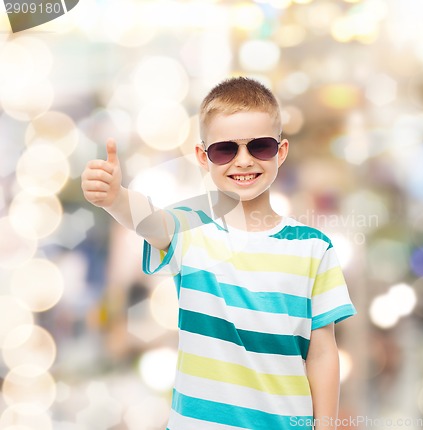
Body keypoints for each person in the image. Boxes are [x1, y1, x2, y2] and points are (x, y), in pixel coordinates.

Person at [81, 77, 356, 430]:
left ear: (281, 151)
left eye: (260, 146)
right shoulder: (190, 230)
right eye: (225, 149)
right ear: (203, 156)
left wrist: (326, 426)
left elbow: (321, 353)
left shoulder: (314, 248)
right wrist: (115, 197)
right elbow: (148, 220)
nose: (243, 161)